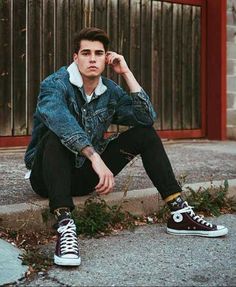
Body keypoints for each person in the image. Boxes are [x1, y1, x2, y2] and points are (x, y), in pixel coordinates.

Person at [24, 27, 228, 267]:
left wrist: (126, 73)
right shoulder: (54, 85)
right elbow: (61, 121)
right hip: (46, 177)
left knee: (145, 135)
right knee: (54, 136)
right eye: (86, 52)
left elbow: (146, 118)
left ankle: (179, 213)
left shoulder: (109, 91)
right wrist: (95, 157)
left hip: (83, 178)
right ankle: (65, 225)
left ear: (106, 57)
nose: (92, 59)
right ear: (75, 57)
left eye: (98, 53)